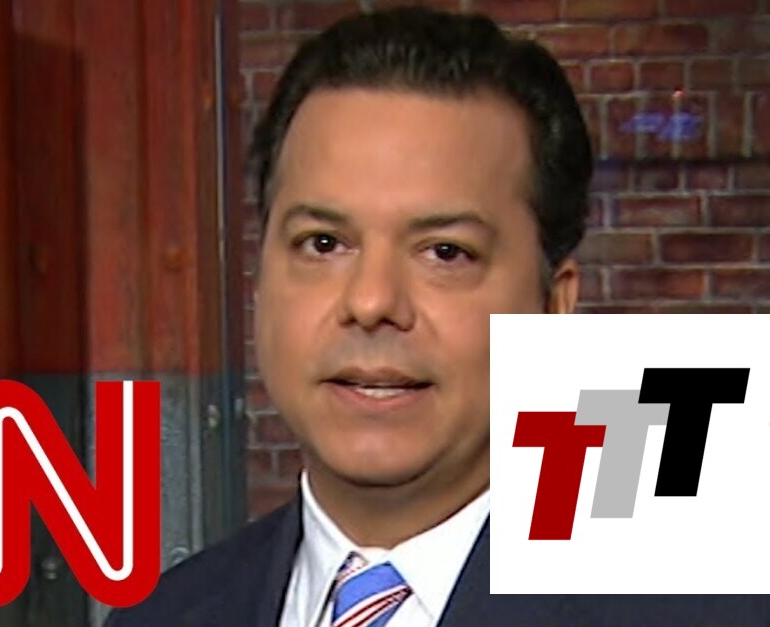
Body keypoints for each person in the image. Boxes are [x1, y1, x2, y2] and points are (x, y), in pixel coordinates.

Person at [106, 5, 770, 626]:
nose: (371, 302)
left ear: (553, 305)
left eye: (445, 252)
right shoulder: (163, 614)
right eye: (323, 244)